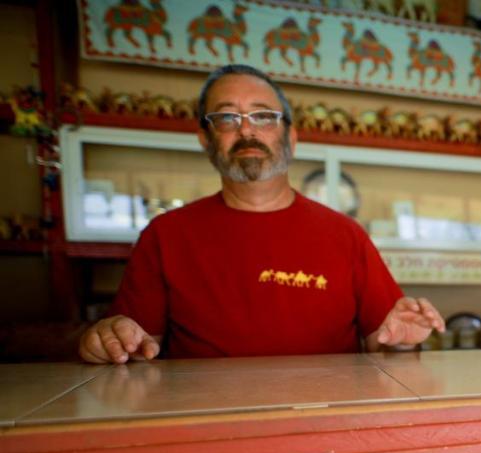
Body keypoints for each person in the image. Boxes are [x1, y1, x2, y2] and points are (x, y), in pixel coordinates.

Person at [78, 64, 443, 364]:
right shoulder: (165, 235)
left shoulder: (345, 235)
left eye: (264, 116)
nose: (247, 129)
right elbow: (137, 348)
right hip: (206, 428)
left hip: (326, 427)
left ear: (291, 138)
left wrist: (402, 344)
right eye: (226, 118)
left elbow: (386, 345)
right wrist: (110, 340)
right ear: (205, 139)